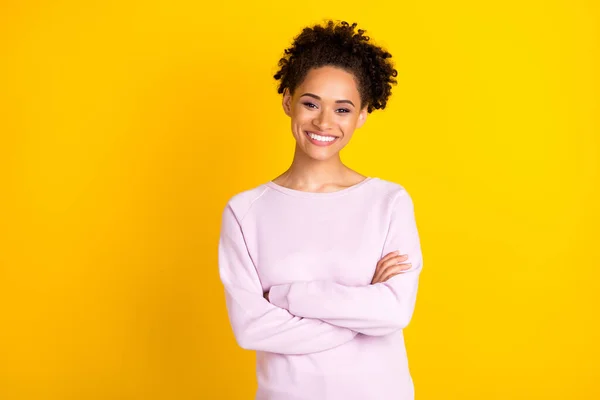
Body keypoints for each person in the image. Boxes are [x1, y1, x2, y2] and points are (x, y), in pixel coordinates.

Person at [217, 20, 424, 400]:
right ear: (287, 101)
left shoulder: (389, 203)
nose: (324, 122)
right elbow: (251, 329)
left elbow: (395, 312)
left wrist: (287, 297)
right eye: (311, 103)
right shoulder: (245, 212)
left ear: (361, 115)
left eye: (342, 109)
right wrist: (363, 313)